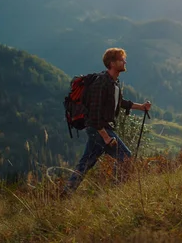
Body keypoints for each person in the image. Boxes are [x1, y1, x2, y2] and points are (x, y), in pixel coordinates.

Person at [63, 48, 151, 194]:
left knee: (86, 163)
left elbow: (119, 102)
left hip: (98, 129)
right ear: (112, 63)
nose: (125, 62)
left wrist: (141, 107)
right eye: (121, 59)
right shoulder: (101, 83)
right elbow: (93, 114)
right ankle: (117, 191)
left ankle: (66, 193)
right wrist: (106, 137)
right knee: (125, 157)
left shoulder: (113, 83)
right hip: (99, 129)